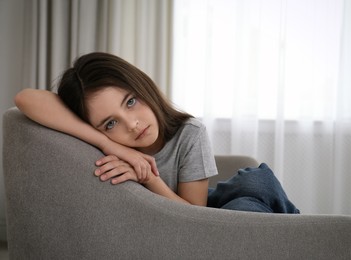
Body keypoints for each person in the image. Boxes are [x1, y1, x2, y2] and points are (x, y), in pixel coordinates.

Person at [15, 52, 299, 213]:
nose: (132, 124)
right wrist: (108, 144)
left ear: (142, 86)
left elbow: (195, 216)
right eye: (110, 123)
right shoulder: (103, 144)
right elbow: (25, 99)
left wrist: (150, 179)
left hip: (199, 212)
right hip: (169, 226)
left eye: (130, 102)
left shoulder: (190, 133)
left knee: (254, 187)